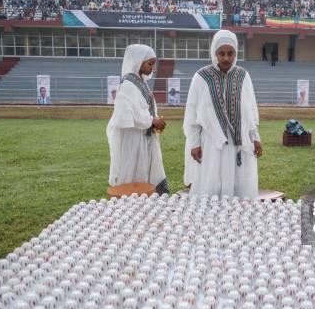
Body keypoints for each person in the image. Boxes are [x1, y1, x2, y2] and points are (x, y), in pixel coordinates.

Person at [184, 30, 262, 199]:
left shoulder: (243, 76)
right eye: (221, 53)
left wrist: (256, 138)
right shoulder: (201, 77)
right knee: (210, 184)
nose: (226, 58)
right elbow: (192, 113)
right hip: (211, 143)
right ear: (214, 53)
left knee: (239, 186)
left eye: (230, 53)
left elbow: (250, 111)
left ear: (236, 54)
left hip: (239, 142)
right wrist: (194, 143)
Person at [106, 44, 169, 194]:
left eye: (154, 64)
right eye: (150, 63)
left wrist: (154, 121)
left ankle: (147, 200)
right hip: (133, 139)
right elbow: (126, 115)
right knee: (133, 171)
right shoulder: (127, 84)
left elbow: (145, 108)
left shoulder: (142, 83)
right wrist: (151, 121)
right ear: (138, 61)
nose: (153, 68)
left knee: (146, 169)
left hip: (145, 136)